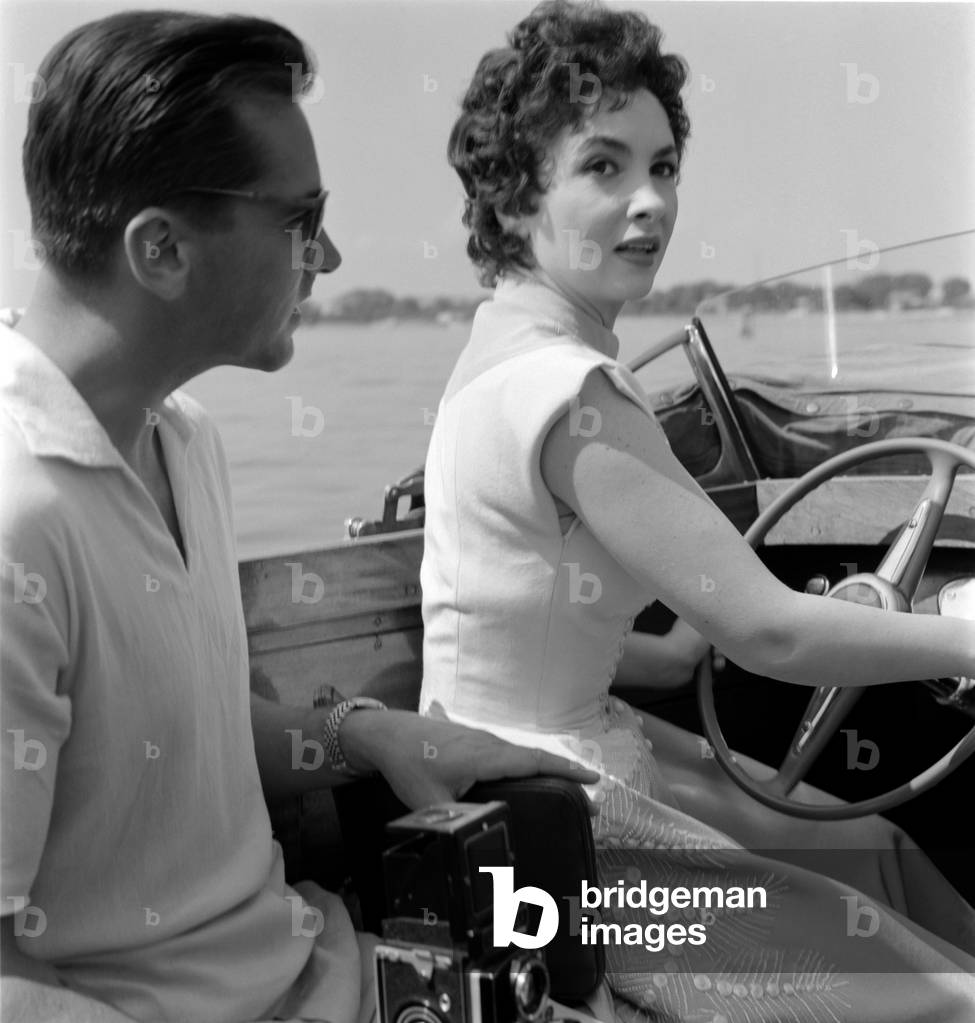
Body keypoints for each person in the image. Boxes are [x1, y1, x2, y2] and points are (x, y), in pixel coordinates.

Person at [0, 12, 603, 1023]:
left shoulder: (181, 439)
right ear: (161, 249)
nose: (325, 254)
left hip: (333, 972)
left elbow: (180, 736)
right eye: (300, 216)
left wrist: (362, 738)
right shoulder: (20, 521)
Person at [418, 1, 975, 1020]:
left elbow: (518, 612)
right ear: (512, 199)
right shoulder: (571, 394)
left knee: (879, 850)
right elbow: (769, 631)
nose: (649, 202)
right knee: (937, 998)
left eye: (663, 166)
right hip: (563, 844)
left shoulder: (498, 360)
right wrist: (960, 637)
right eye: (604, 166)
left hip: (526, 785)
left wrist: (674, 662)